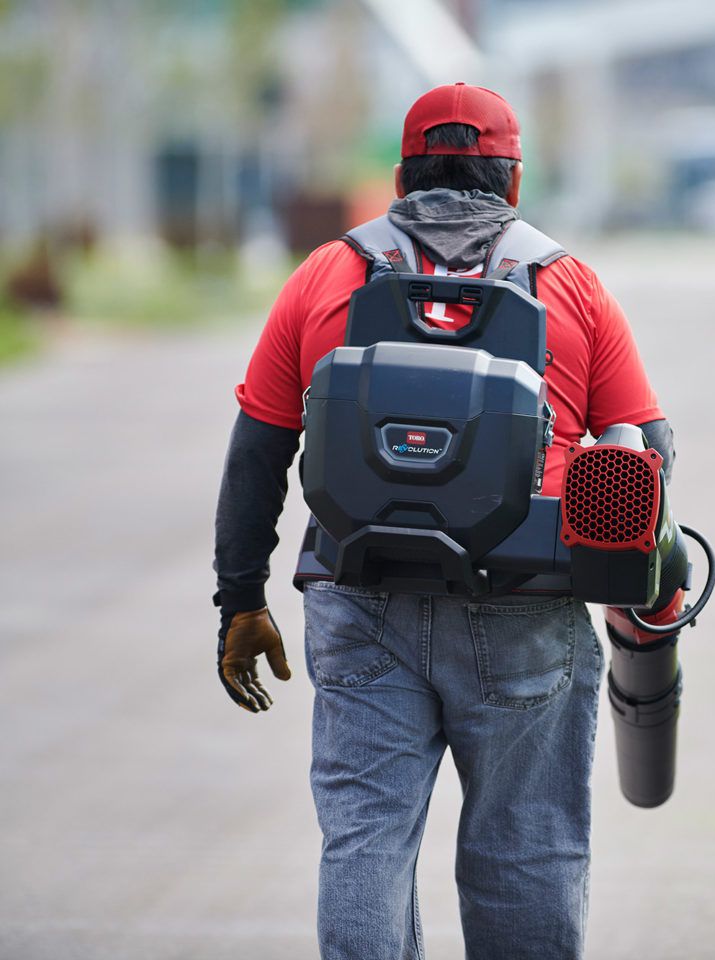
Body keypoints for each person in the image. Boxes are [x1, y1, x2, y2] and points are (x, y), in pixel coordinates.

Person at [211, 82, 675, 960]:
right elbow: (645, 450)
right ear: (514, 179)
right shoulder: (569, 284)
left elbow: (258, 451)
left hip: (360, 601)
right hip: (526, 607)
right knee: (525, 850)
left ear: (399, 176)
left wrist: (239, 599)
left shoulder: (326, 274)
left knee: (366, 842)